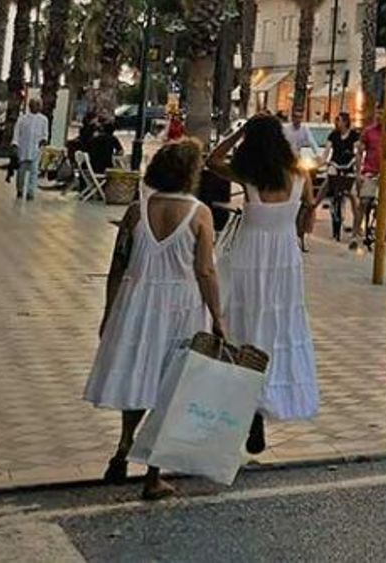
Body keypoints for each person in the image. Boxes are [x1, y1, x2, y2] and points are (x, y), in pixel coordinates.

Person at [84, 139, 224, 502]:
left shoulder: (136, 210)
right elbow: (206, 270)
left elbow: (117, 265)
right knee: (170, 387)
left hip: (137, 301)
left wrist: (108, 312)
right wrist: (218, 316)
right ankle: (153, 474)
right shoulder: (199, 214)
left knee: (138, 377)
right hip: (181, 306)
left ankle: (123, 444)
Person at [208, 117, 318, 456]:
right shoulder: (300, 174)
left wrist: (239, 132)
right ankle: (266, 398)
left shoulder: (250, 176)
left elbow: (212, 160)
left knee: (243, 324)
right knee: (278, 327)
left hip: (250, 255)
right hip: (285, 258)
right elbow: (308, 212)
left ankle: (247, 401)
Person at [354, 116, 386, 251]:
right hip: (371, 172)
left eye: (382, 112)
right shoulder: (368, 131)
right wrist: (358, 173)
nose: (380, 116)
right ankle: (355, 233)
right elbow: (360, 152)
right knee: (364, 201)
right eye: (378, 112)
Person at [324, 112, 359, 242]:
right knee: (328, 181)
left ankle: (357, 224)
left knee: (352, 195)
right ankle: (313, 205)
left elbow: (357, 151)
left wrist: (355, 160)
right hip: (335, 164)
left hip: (348, 166)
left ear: (345, 122)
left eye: (338, 120)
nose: (336, 123)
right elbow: (327, 150)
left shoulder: (354, 135)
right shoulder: (333, 135)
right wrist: (324, 161)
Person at [13, 98, 50, 201]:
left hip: (36, 149)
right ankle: (20, 189)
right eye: (35, 105)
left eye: (38, 105)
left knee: (34, 172)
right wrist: (15, 144)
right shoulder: (23, 119)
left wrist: (44, 140)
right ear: (30, 106)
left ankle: (30, 192)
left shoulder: (44, 119)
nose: (37, 107)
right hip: (23, 148)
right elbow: (16, 132)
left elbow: (45, 134)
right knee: (21, 171)